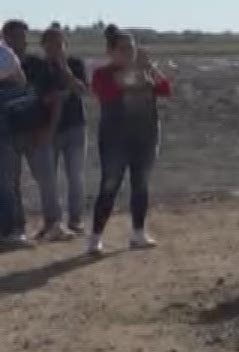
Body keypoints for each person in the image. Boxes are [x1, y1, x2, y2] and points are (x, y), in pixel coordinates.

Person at [87, 27, 173, 255]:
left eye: (132, 48)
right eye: (123, 49)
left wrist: (151, 68)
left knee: (141, 184)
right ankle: (95, 237)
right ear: (111, 51)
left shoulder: (145, 71)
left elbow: (165, 88)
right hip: (115, 138)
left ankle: (138, 232)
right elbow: (114, 90)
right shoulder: (102, 74)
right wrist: (140, 71)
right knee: (110, 185)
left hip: (145, 136)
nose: (129, 53)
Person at [3, 19, 63, 242]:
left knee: (46, 179)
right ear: (5, 38)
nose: (23, 42)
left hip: (38, 132)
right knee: (9, 183)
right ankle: (16, 229)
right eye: (17, 37)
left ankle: (54, 224)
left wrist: (49, 130)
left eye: (24, 37)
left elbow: (55, 99)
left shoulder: (38, 65)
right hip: (7, 134)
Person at [42, 25, 91, 239]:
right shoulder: (40, 67)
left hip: (74, 127)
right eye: (51, 44)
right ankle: (53, 222)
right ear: (44, 46)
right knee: (48, 178)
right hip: (48, 129)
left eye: (60, 44)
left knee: (75, 176)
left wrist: (66, 71)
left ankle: (76, 220)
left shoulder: (75, 64)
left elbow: (81, 90)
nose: (56, 48)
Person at [0, 36, 31, 249]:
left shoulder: (4, 53)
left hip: (7, 129)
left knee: (8, 182)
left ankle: (15, 230)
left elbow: (14, 80)